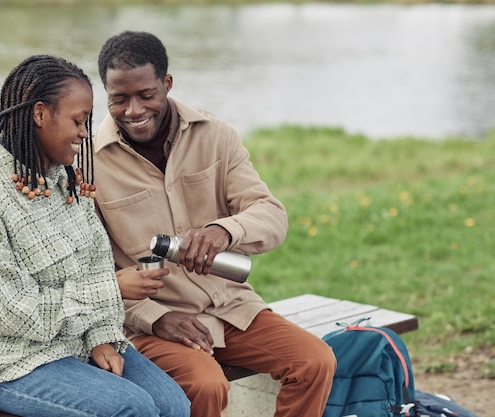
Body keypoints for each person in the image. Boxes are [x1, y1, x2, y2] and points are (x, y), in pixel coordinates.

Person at [93, 31, 337, 417]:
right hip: (150, 321)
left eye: (146, 95)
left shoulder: (217, 136)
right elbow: (91, 273)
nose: (133, 110)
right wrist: (154, 319)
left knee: (315, 362)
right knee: (205, 385)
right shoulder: (89, 164)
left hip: (231, 307)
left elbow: (271, 216)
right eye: (118, 99)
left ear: (167, 84)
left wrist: (225, 231)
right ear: (105, 92)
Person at [0, 55, 190, 417]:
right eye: (78, 120)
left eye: (87, 120)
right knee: (131, 409)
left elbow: (95, 263)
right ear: (40, 114)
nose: (85, 132)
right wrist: (113, 287)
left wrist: (99, 337)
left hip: (75, 342)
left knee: (172, 404)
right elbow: (18, 315)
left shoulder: (66, 183)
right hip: (9, 360)